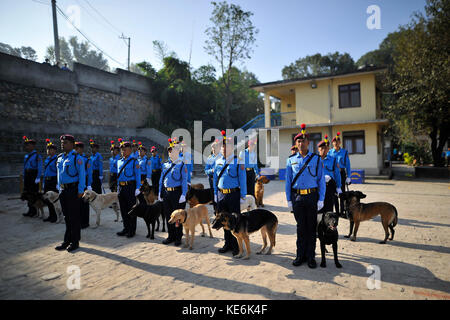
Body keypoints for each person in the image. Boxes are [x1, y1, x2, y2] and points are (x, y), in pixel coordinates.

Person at [285, 124, 325, 268]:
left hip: (311, 197)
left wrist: (321, 199)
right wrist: (289, 200)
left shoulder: (316, 159)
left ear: (309, 143)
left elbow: (321, 180)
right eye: (299, 141)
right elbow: (288, 181)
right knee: (300, 228)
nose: (301, 143)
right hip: (297, 198)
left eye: (304, 141)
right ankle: (299, 255)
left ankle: (311, 257)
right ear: (296, 143)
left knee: (311, 228)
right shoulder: (290, 160)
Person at [213, 130, 247, 256]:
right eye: (222, 146)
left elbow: (243, 180)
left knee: (234, 222)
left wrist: (243, 195)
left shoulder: (238, 161)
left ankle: (236, 246)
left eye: (226, 145)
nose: (223, 148)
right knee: (223, 221)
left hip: (233, 195)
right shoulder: (217, 161)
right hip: (221, 195)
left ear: (232, 147)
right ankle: (227, 244)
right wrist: (215, 194)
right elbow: (215, 180)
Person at [55, 134, 86, 253]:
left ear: (72, 145)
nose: (63, 144)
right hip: (63, 190)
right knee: (66, 217)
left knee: (74, 217)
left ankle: (75, 241)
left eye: (66, 142)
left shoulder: (76, 158)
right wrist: (59, 187)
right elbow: (59, 174)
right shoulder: (60, 157)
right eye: (62, 142)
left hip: (73, 190)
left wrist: (80, 190)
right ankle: (66, 240)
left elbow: (82, 175)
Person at [159, 138, 187, 246]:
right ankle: (170, 236)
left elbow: (184, 181)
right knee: (168, 216)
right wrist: (160, 193)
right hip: (166, 193)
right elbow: (161, 180)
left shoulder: (182, 165)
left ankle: (178, 237)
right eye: (169, 151)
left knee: (178, 217)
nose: (171, 152)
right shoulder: (165, 165)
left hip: (177, 193)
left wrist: (184, 194)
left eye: (173, 150)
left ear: (178, 151)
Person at [116, 140, 141, 238]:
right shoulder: (119, 161)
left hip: (130, 187)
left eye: (125, 150)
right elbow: (118, 177)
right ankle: (125, 228)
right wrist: (118, 188)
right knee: (123, 209)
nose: (123, 152)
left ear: (130, 150)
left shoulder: (134, 161)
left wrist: (138, 188)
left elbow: (138, 175)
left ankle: (132, 230)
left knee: (131, 209)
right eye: (122, 150)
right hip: (122, 187)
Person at [317, 135, 342, 215]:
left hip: (329, 186)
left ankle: (329, 225)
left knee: (329, 208)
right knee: (319, 209)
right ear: (318, 149)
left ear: (328, 149)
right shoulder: (314, 160)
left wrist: (338, 186)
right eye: (322, 148)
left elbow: (337, 174)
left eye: (325, 148)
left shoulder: (333, 160)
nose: (323, 150)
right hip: (318, 186)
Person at [328, 132, 351, 215]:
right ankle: (337, 211)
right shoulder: (330, 152)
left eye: (338, 141)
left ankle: (342, 211)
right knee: (334, 192)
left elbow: (348, 165)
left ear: (340, 142)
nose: (336, 143)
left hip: (341, 173)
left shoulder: (344, 152)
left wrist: (349, 176)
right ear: (332, 143)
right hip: (333, 174)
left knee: (342, 193)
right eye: (334, 141)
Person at [22, 136, 43, 217]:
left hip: (33, 176)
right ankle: (30, 210)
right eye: (26, 145)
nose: (27, 147)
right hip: (27, 176)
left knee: (33, 194)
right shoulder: (26, 156)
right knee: (27, 194)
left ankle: (35, 211)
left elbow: (40, 167)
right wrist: (24, 177)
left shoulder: (37, 156)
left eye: (29, 145)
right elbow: (24, 167)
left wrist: (38, 177)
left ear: (33, 146)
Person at [75, 141, 92, 229]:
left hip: (84, 182)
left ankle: (85, 222)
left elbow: (89, 173)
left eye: (76, 148)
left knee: (84, 203)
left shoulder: (86, 160)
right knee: (77, 204)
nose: (75, 150)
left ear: (81, 149)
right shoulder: (74, 158)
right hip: (75, 182)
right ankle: (78, 221)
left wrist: (89, 184)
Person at [42, 139, 58, 222]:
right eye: (47, 149)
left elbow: (59, 172)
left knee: (53, 200)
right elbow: (45, 172)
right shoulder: (47, 160)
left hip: (53, 181)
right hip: (47, 181)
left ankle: (55, 216)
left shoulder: (57, 159)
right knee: (47, 200)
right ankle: (51, 215)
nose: (48, 151)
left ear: (54, 151)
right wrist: (44, 183)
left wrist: (58, 183)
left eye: (50, 149)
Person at [205, 140, 220, 210]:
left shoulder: (222, 157)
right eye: (213, 148)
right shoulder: (209, 158)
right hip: (211, 179)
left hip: (220, 179)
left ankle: (220, 209)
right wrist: (211, 170)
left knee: (220, 194)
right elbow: (206, 170)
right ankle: (215, 210)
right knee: (213, 195)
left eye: (215, 147)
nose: (213, 149)